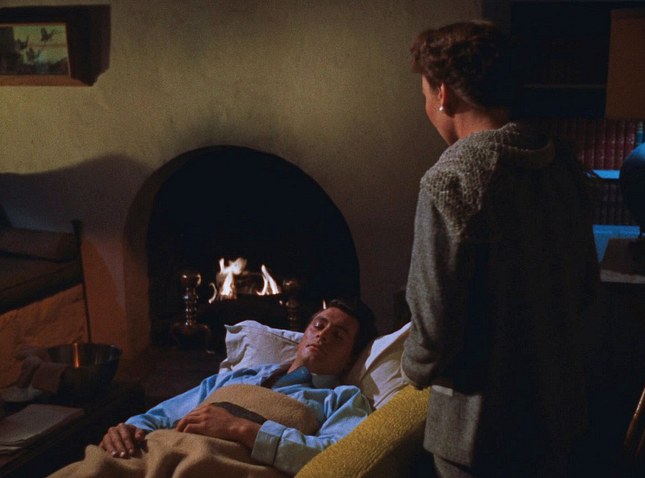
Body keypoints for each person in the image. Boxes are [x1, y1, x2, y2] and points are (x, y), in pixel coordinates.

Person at [400, 20, 600, 478]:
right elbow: (585, 288)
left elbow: (433, 326)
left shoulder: (451, 180)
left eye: (426, 93)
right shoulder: (561, 164)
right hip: (559, 413)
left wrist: (409, 371)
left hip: (479, 431)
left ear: (444, 94)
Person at [54, 297, 378, 477]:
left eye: (338, 336)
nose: (322, 334)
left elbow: (337, 460)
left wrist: (241, 429)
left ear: (349, 360)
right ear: (304, 333)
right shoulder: (238, 376)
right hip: (148, 456)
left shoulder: (342, 399)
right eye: (319, 325)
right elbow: (158, 417)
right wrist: (126, 429)